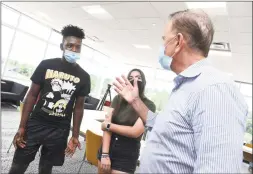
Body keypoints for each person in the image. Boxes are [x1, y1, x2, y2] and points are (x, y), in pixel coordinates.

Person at [113, 9, 248, 173]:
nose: (162, 47)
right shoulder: (187, 86)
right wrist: (135, 101)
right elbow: (168, 130)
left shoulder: (214, 89)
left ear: (178, 42)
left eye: (164, 40)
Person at [9, 25, 91, 174]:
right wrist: (22, 126)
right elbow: (32, 95)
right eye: (69, 45)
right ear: (62, 46)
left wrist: (74, 135)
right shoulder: (46, 65)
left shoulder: (84, 76)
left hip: (60, 129)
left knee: (46, 168)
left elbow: (78, 107)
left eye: (77, 47)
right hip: (36, 124)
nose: (73, 50)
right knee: (18, 166)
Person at [97, 69, 156, 174]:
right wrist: (105, 154)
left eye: (138, 77)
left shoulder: (149, 105)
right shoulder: (117, 99)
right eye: (131, 78)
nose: (135, 80)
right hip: (107, 149)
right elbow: (106, 126)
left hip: (127, 155)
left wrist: (108, 125)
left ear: (144, 82)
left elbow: (135, 132)